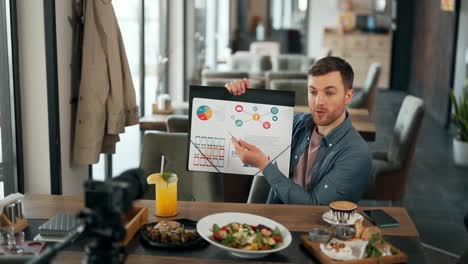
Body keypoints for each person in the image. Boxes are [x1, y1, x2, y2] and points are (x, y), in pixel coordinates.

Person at [225, 56, 372, 205]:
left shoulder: (357, 154)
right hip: (270, 219)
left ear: (348, 96)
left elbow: (313, 208)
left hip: (311, 227)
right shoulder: (299, 123)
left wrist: (264, 165)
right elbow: (250, 129)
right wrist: (241, 98)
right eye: (313, 92)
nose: (318, 102)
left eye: (329, 93)